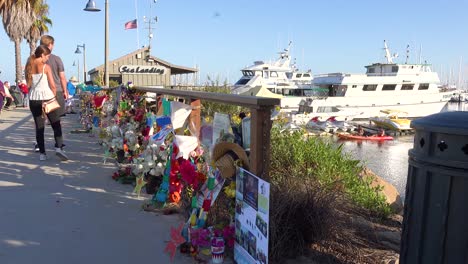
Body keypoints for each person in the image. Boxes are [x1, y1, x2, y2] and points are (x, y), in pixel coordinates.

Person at [25, 45, 68, 161]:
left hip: (34, 99)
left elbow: (28, 86)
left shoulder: (28, 67)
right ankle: (59, 148)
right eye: (47, 56)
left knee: (39, 127)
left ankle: (42, 154)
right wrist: (53, 96)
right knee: (56, 123)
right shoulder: (46, 67)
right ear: (42, 55)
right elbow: (53, 86)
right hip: (47, 97)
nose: (48, 59)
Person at [40, 35, 69, 117]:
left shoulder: (35, 59)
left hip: (41, 93)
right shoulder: (57, 59)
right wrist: (65, 90)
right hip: (57, 91)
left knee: (42, 118)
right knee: (57, 119)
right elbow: (62, 77)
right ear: (50, 45)